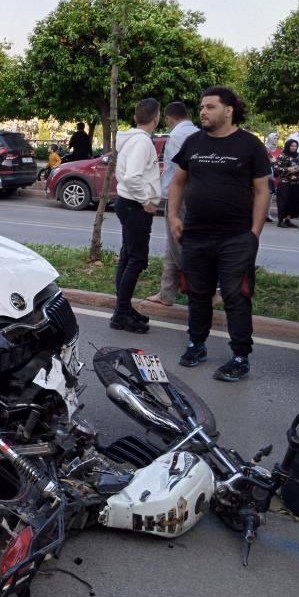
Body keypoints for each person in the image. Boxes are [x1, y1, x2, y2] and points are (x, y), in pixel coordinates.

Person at [168, 86, 270, 382]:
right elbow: (178, 183)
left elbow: (263, 191)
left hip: (236, 237)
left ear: (228, 110)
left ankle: (240, 357)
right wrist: (174, 215)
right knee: (198, 294)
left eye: (210, 107)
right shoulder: (193, 142)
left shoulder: (249, 145)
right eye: (201, 107)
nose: (203, 112)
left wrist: (254, 233)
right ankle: (196, 345)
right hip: (196, 234)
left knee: (237, 296)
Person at [111, 99, 162, 333]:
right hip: (135, 206)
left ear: (135, 117)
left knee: (128, 257)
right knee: (136, 260)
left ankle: (123, 308)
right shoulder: (141, 142)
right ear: (156, 118)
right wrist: (147, 202)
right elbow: (133, 177)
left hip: (128, 204)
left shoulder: (132, 140)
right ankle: (121, 314)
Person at [146, 101, 198, 306]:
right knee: (172, 245)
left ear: (168, 119)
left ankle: (204, 289)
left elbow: (181, 169)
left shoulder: (177, 136)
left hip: (179, 197)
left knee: (178, 245)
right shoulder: (196, 133)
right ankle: (166, 293)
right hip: (189, 195)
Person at [275, 139, 299, 227]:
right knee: (283, 202)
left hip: (296, 183)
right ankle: (280, 220)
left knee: (293, 202)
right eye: (292, 146)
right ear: (288, 146)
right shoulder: (282, 155)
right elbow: (277, 167)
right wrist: (287, 169)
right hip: (285, 182)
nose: (294, 148)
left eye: (295, 146)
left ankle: (288, 220)